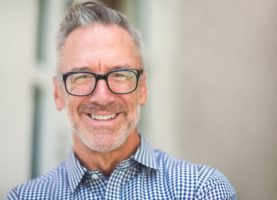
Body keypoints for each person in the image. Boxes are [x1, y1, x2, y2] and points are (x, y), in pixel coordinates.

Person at [6, 1, 237, 199]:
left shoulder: (202, 190)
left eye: (120, 75)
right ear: (58, 93)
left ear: (143, 89)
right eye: (82, 76)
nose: (102, 96)